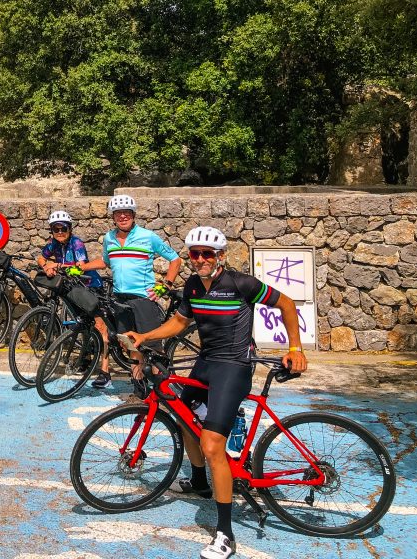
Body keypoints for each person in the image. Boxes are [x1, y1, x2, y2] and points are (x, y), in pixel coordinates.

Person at [127, 226, 307, 559]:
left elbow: (286, 303)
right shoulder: (193, 285)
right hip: (208, 362)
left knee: (212, 445)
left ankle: (225, 534)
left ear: (220, 256)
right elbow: (180, 323)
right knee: (183, 415)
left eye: (206, 254)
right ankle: (199, 482)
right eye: (194, 254)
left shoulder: (241, 284)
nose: (199, 260)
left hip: (235, 366)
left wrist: (294, 347)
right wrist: (146, 336)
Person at [85, 194, 181, 390]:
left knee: (153, 346)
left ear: (133, 215)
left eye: (126, 213)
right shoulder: (109, 238)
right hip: (120, 299)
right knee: (130, 344)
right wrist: (82, 267)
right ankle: (139, 388)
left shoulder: (148, 237)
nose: (122, 216)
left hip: (143, 299)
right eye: (118, 213)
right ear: (113, 217)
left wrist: (166, 285)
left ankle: (162, 392)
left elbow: (175, 259)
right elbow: (105, 262)